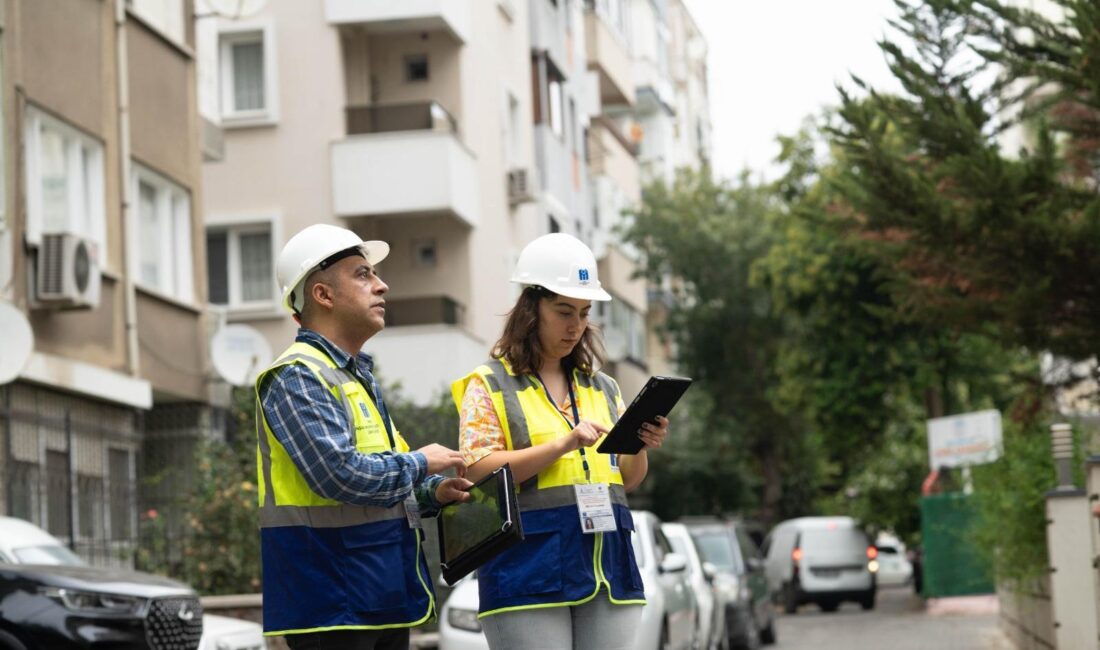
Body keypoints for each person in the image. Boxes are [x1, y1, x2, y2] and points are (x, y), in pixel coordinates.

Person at [254, 224, 472, 650]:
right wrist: (421, 462)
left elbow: (380, 487)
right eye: (363, 274)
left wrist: (434, 494)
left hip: (376, 593)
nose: (382, 285)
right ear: (323, 295)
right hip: (331, 604)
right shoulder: (297, 376)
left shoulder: (354, 376)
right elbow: (340, 476)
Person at [451, 233, 670, 650]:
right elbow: (478, 470)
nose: (576, 325)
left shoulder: (602, 387)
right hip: (527, 571)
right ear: (531, 308)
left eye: (585, 313)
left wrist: (639, 444)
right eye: (564, 310)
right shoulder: (489, 384)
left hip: (608, 568)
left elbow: (626, 481)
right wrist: (562, 445)